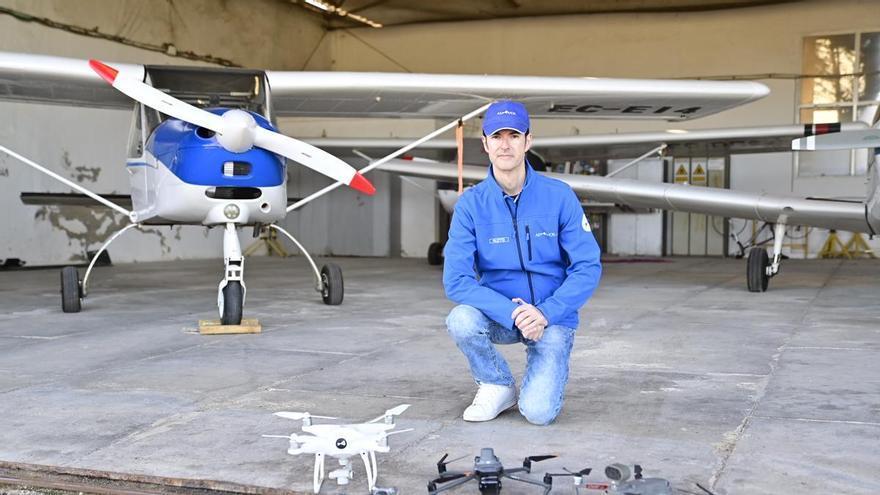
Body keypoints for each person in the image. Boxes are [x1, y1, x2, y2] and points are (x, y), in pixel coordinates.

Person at [443, 100, 602, 425]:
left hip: (552, 317)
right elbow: (456, 280)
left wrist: (546, 312)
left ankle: (529, 384)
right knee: (461, 320)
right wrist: (512, 312)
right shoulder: (471, 205)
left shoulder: (559, 196)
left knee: (539, 414)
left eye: (513, 135)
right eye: (496, 136)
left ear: (527, 141)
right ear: (485, 144)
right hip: (501, 315)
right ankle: (497, 383)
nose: (505, 144)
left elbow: (588, 266)